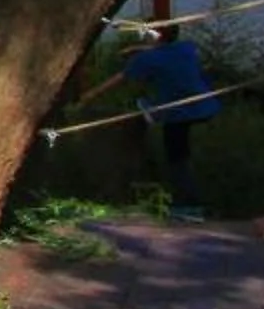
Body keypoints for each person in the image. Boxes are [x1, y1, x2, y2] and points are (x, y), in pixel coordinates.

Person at [86, 26, 222, 209]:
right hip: (205, 106)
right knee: (180, 155)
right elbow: (165, 49)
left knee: (177, 159)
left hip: (179, 113)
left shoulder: (147, 59)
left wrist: (89, 95)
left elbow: (120, 78)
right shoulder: (186, 47)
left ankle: (189, 206)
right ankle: (188, 202)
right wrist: (137, 48)